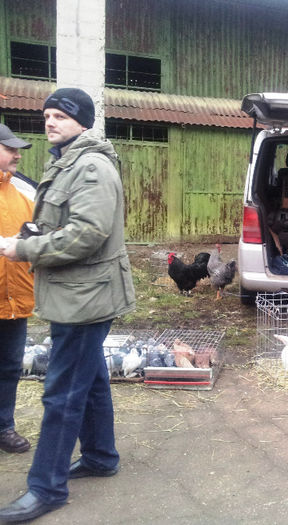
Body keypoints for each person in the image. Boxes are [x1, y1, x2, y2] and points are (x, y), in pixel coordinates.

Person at [0, 88, 136, 523]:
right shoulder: (67, 162)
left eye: (60, 115)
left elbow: (87, 234)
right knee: (90, 378)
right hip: (78, 293)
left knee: (61, 394)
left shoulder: (90, 166)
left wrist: (25, 250)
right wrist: (34, 232)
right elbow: (63, 222)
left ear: (83, 121)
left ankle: (47, 488)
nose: (50, 122)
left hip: (85, 297)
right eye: (47, 115)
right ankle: (100, 457)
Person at [0, 124, 34, 455]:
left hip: (15, 300)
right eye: (10, 148)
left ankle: (4, 427)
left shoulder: (24, 196)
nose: (17, 154)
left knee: (10, 366)